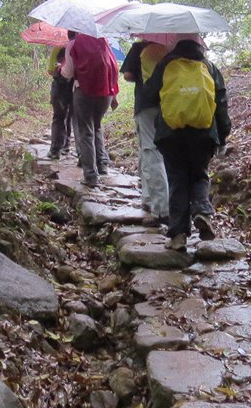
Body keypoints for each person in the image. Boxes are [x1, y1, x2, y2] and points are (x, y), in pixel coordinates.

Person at [137, 36, 230, 250]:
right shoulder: (209, 67)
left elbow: (149, 94)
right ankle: (202, 212)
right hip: (204, 133)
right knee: (199, 175)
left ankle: (178, 236)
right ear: (200, 45)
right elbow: (221, 101)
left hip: (171, 133)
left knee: (177, 179)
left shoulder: (166, 64)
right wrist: (223, 134)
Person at [119, 36, 171, 224]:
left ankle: (161, 208)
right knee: (161, 151)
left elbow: (127, 75)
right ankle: (148, 199)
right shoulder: (170, 47)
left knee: (150, 151)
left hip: (146, 103)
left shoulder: (139, 47)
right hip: (170, 104)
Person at [60, 31, 119, 186]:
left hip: (83, 91)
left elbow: (68, 73)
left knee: (86, 131)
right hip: (105, 92)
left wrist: (61, 69)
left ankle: (91, 176)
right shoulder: (103, 41)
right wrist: (114, 93)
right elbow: (113, 66)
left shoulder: (74, 43)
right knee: (97, 126)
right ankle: (102, 165)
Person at [46, 34, 75, 159]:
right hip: (76, 87)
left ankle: (55, 150)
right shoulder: (80, 47)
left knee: (58, 117)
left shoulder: (58, 47)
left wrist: (59, 69)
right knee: (70, 117)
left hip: (59, 87)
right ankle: (66, 146)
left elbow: (50, 70)